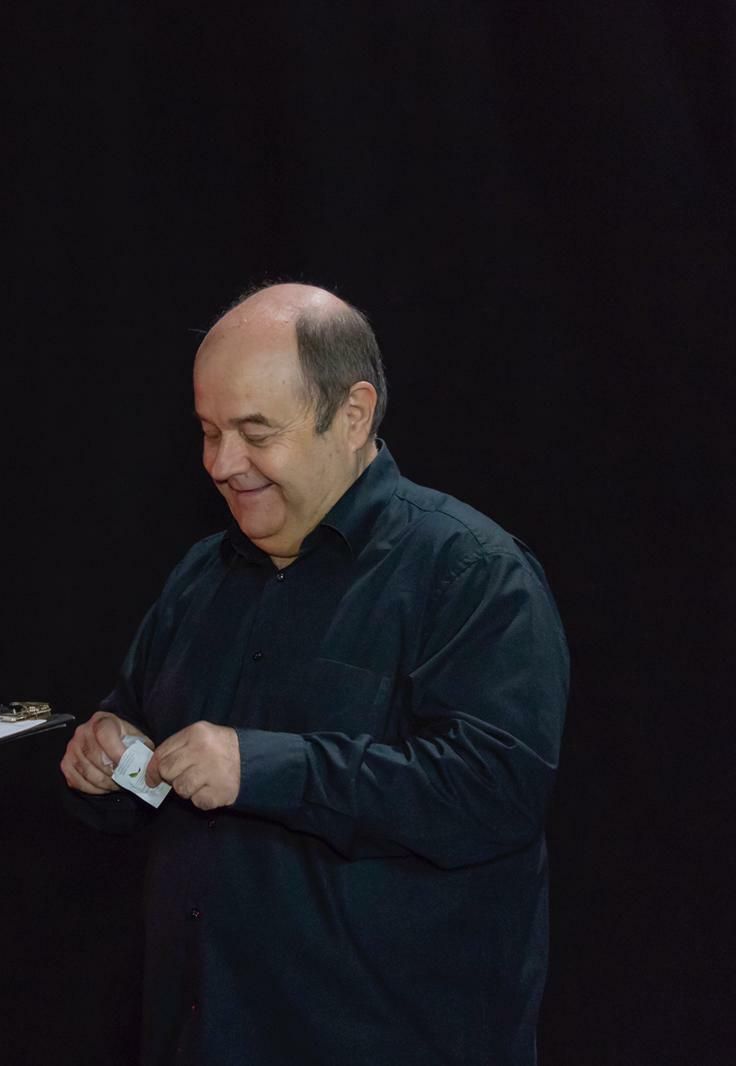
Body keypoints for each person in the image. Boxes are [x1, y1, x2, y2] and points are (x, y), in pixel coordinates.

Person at [60, 283, 568, 1064]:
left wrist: (262, 766)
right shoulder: (202, 576)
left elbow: (492, 793)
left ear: (354, 413)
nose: (223, 464)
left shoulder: (470, 573)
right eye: (208, 431)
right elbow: (140, 740)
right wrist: (107, 756)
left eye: (255, 432)